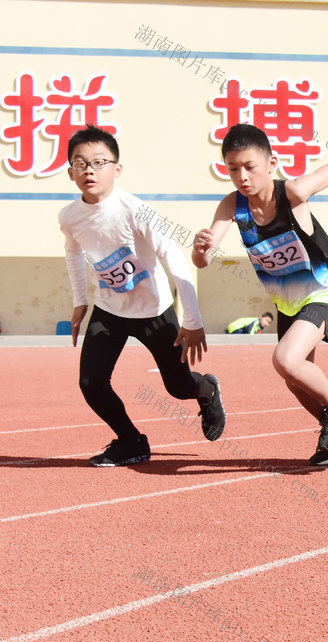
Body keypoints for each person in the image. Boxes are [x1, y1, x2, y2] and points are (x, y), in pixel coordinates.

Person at [192, 124, 328, 466]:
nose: (242, 176)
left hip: (322, 289)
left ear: (272, 163)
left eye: (250, 166)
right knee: (295, 380)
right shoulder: (232, 206)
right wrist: (201, 249)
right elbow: (203, 259)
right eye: (233, 169)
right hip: (288, 301)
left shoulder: (294, 192)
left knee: (285, 359)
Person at [60, 125, 225, 467]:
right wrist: (79, 301)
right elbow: (73, 253)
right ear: (69, 171)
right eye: (80, 163)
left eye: (98, 162)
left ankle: (206, 390)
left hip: (155, 311)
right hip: (109, 311)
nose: (89, 170)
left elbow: (174, 256)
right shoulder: (70, 216)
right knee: (91, 383)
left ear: (116, 169)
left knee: (178, 388)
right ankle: (131, 442)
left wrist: (192, 319)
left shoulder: (137, 210)